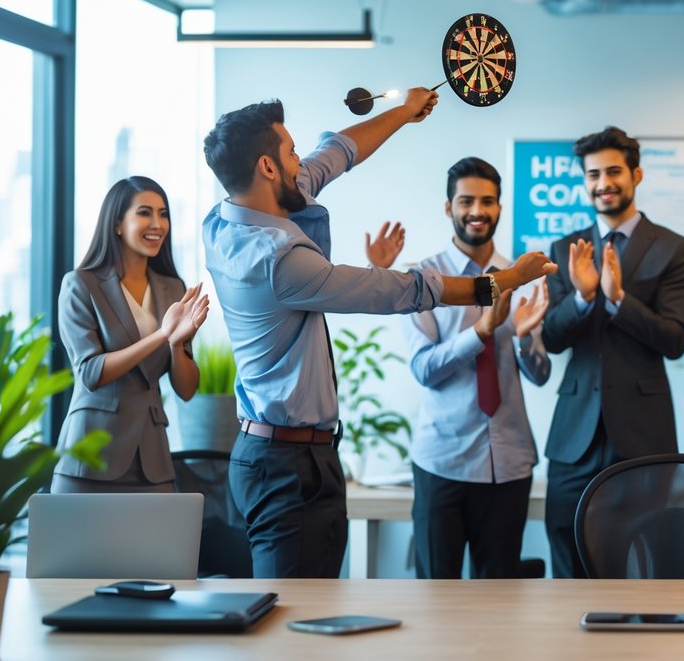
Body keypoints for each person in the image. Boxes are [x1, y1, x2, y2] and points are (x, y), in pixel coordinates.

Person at [201, 91, 555, 578]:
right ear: (266, 167)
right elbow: (394, 290)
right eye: (289, 152)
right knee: (291, 618)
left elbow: (336, 152)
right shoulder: (277, 258)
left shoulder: (227, 217)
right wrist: (504, 282)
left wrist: (404, 112)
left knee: (309, 608)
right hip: (285, 463)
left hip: (295, 453)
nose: (299, 160)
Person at [541, 126, 684, 578]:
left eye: (613, 171)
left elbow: (674, 339)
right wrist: (584, 299)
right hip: (574, 439)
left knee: (646, 562)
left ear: (636, 175)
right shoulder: (565, 249)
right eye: (593, 174)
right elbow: (552, 339)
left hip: (643, 437)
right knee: (568, 556)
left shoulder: (673, 248)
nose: (603, 183)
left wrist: (617, 300)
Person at [401, 157, 550, 579]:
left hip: (509, 461)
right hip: (442, 461)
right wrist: (482, 330)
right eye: (466, 201)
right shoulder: (423, 279)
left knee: (500, 597)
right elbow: (423, 369)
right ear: (448, 207)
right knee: (436, 594)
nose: (477, 211)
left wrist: (523, 337)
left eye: (488, 201)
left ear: (500, 208)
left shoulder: (524, 277)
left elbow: (540, 375)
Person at [53, 176, 210, 493]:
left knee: (156, 545)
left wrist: (177, 343)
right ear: (117, 225)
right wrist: (161, 335)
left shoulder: (173, 289)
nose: (157, 224)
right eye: (144, 213)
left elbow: (187, 389)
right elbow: (90, 373)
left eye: (163, 213)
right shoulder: (81, 285)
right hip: (90, 457)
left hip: (152, 460)